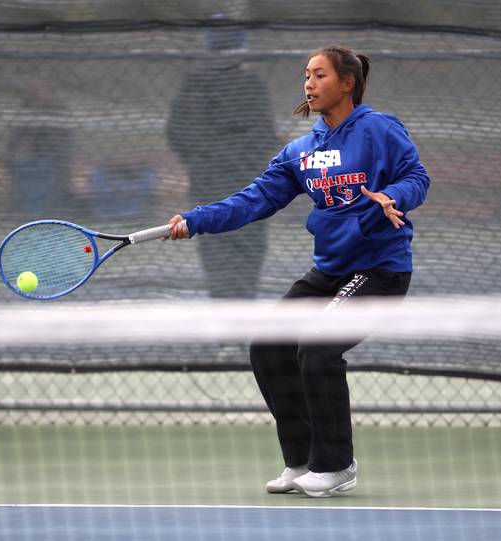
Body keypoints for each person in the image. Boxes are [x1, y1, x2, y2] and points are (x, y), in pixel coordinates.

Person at [165, 45, 430, 497]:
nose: (309, 83)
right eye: (306, 75)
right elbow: (254, 200)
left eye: (320, 75)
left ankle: (337, 465)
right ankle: (303, 459)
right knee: (269, 344)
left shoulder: (378, 130)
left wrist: (394, 196)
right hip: (329, 271)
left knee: (319, 347)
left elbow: (416, 177)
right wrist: (196, 220)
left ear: (346, 83)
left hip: (380, 271)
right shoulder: (300, 152)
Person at [167, 24, 278, 298]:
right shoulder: (249, 84)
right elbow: (264, 133)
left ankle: (225, 305)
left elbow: (176, 131)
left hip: (210, 178)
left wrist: (200, 159)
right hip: (246, 180)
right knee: (245, 240)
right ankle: (240, 302)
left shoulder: (194, 83)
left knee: (216, 241)